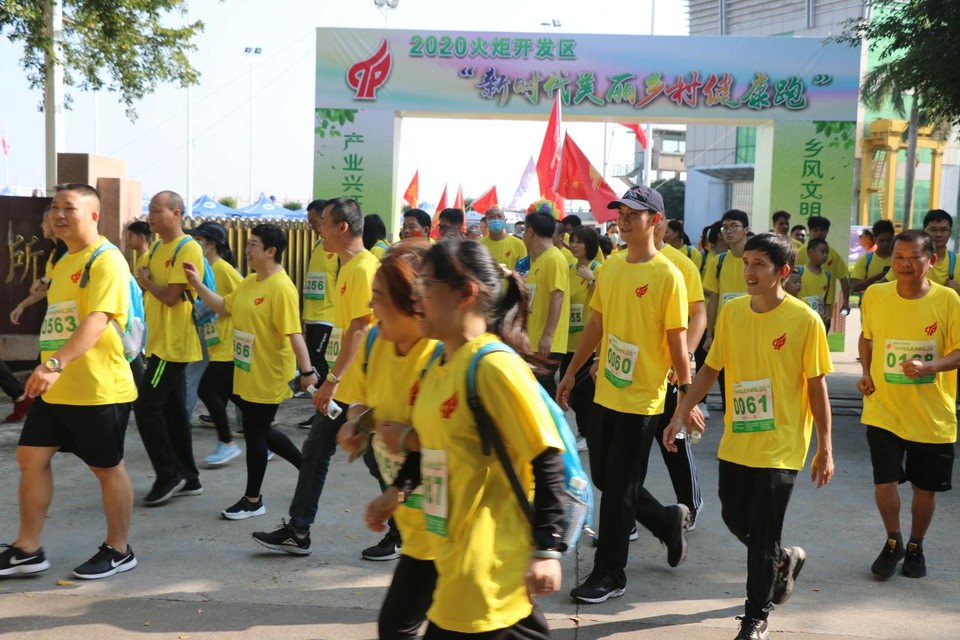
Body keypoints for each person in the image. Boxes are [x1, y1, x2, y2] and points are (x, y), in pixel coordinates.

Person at [665, 232, 834, 640]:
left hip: (782, 446)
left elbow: (817, 386)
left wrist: (825, 447)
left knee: (762, 533)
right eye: (747, 263)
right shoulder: (733, 311)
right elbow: (711, 368)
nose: (749, 271)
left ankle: (756, 615)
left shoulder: (804, 321)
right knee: (733, 516)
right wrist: (680, 412)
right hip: (739, 439)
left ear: (783, 271)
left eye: (760, 264)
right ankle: (781, 560)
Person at [406, 239, 565, 638]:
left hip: (489, 574)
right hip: (455, 564)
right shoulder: (437, 363)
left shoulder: (494, 367)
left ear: (465, 293)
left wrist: (547, 548)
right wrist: (396, 490)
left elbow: (547, 455)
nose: (414, 297)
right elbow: (432, 447)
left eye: (424, 285)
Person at [557, 186, 693, 604]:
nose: (625, 219)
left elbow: (677, 341)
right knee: (605, 478)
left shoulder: (667, 275)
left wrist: (686, 398)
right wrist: (572, 372)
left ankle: (610, 574)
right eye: (622, 212)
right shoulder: (613, 265)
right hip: (606, 392)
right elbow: (597, 324)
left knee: (618, 490)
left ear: (655, 221)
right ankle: (666, 520)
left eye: (635, 213)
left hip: (643, 400)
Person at [0, 183, 139, 580]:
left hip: (97, 388)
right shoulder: (63, 261)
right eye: (54, 207)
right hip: (58, 388)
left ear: (94, 215)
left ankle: (119, 550)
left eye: (69, 208)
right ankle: (28, 549)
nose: (58, 214)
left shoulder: (106, 260)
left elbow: (98, 319)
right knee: (31, 458)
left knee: (107, 468)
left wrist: (53, 364)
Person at [252, 197, 384, 558]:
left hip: (361, 389)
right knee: (315, 452)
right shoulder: (347, 267)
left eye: (322, 223)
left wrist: (331, 381)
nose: (318, 230)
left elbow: (359, 329)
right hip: (345, 386)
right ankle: (299, 529)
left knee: (376, 460)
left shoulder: (363, 268)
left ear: (342, 227)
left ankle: (404, 531)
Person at [335, 240, 441, 640]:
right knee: (398, 627)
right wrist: (358, 425)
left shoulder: (447, 355)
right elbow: (362, 402)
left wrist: (410, 440)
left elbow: (462, 443)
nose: (371, 305)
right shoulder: (377, 342)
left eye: (378, 296)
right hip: (417, 524)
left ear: (412, 301)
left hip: (458, 530)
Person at [185, 223, 317, 519]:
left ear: (271, 251)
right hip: (245, 368)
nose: (247, 250)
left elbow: (294, 333)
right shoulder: (250, 281)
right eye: (248, 244)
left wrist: (307, 372)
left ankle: (253, 499)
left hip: (268, 372)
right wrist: (197, 284)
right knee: (261, 429)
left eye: (253, 245)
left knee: (256, 432)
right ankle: (308, 469)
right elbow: (223, 307)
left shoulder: (281, 287)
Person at [857, 229, 960, 581]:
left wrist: (929, 367)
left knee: (924, 490)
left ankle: (916, 544)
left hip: (932, 414)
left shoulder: (948, 300)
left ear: (932, 261)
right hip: (883, 408)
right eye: (899, 257)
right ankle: (893, 540)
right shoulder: (876, 295)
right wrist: (865, 372)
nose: (905, 264)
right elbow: (867, 337)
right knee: (884, 482)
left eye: (914, 257)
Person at [134, 190, 206, 506]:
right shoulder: (156, 248)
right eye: (149, 210)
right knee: (174, 412)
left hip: (172, 344)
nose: (150, 216)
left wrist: (147, 282)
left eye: (155, 210)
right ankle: (189, 477)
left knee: (145, 405)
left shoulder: (187, 247)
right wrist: (147, 281)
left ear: (176, 213)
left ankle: (168, 474)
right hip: (159, 341)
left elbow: (171, 296)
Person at [653, 214, 707, 529]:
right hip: (631, 372)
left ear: (659, 222)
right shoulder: (618, 262)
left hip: (670, 371)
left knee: (674, 438)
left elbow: (698, 314)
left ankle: (689, 505)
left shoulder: (681, 264)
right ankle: (627, 516)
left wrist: (684, 357)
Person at [188, 222, 245, 466]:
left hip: (229, 342)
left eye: (198, 240)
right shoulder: (207, 269)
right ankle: (265, 441)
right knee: (235, 395)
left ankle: (227, 443)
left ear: (211, 244)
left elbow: (244, 298)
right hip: (217, 341)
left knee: (207, 389)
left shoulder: (224, 269)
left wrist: (223, 310)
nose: (194, 244)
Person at [563, 226, 603, 450]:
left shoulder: (598, 268)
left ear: (590, 245)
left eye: (580, 242)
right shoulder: (568, 269)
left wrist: (592, 280)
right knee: (571, 392)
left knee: (585, 392)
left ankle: (587, 434)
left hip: (587, 343)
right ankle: (586, 431)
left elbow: (605, 301)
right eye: (573, 241)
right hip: (567, 341)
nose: (574, 245)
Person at [524, 211, 570, 398]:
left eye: (524, 230)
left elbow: (557, 296)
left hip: (547, 343)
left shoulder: (554, 258)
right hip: (535, 340)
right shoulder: (539, 260)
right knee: (535, 393)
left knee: (543, 394)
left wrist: (547, 335)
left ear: (530, 232)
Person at [299, 199, 337, 427]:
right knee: (314, 365)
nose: (313, 226)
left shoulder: (337, 249)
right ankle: (324, 412)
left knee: (319, 367)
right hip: (313, 316)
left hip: (328, 317)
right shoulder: (318, 245)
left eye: (315, 221)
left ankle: (325, 414)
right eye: (310, 222)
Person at [10, 208, 68, 327]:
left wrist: (43, 281)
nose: (41, 225)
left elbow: (65, 283)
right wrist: (21, 306)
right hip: (60, 320)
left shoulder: (71, 252)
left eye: (45, 220)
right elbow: (45, 288)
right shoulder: (54, 253)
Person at [797, 215, 850, 315]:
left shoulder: (833, 254)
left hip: (824, 309)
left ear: (827, 232)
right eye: (815, 230)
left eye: (822, 230)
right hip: (800, 307)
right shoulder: (800, 252)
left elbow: (843, 278)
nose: (819, 233)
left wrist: (846, 302)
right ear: (810, 231)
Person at [918, 209, 960, 293]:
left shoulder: (958, 262)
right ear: (924, 232)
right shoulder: (911, 259)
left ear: (950, 233)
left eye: (943, 230)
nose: (938, 234)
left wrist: (957, 293)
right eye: (933, 230)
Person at [797, 238, 836, 326]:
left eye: (827, 253)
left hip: (818, 320)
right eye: (822, 252)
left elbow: (827, 299)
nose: (825, 255)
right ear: (810, 253)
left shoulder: (827, 275)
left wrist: (827, 313)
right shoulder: (799, 271)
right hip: (801, 316)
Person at [851, 219, 894, 294]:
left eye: (889, 240)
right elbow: (856, 287)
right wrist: (876, 277)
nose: (885, 244)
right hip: (870, 300)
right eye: (881, 240)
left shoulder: (899, 260)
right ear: (874, 239)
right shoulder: (865, 259)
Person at [480, 205, 527, 272]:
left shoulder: (519, 244)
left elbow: (523, 272)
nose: (496, 219)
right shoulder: (479, 245)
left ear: (505, 220)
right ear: (486, 221)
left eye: (499, 216)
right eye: (492, 217)